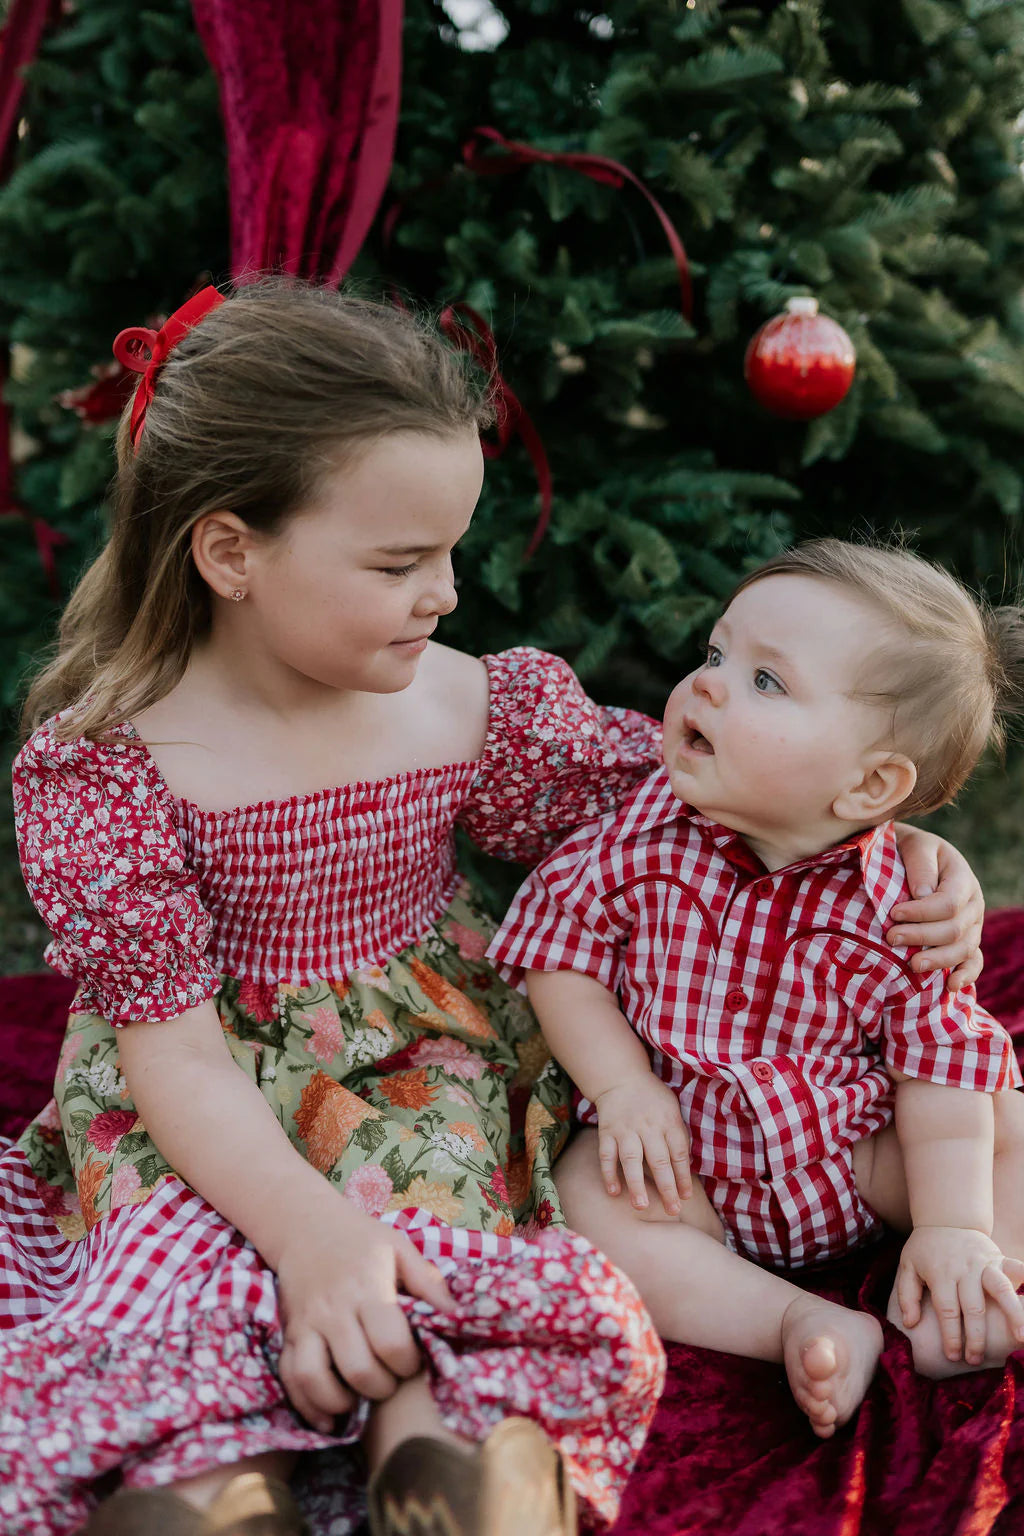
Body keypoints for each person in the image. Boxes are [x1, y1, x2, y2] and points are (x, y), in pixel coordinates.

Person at [0, 281, 982, 1536]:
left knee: (446, 1246)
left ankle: (453, 1478)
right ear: (231, 551)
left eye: (451, 552)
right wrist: (306, 1237)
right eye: (400, 563)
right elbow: (173, 1055)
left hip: (431, 1066)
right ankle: (199, 1494)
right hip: (199, 1099)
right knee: (183, 1276)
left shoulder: (467, 706)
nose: (448, 594)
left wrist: (898, 844)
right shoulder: (117, 765)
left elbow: (699, 789)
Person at [490, 538, 1024, 1445]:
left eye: (766, 682)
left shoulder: (904, 903)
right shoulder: (642, 839)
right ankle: (793, 1321)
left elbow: (939, 1067)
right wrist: (624, 1090)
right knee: (585, 1200)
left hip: (853, 1158)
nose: (707, 684)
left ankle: (971, 1281)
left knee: (999, 1119)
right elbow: (560, 953)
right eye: (714, 655)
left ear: (871, 785)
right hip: (686, 1162)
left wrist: (949, 1220)